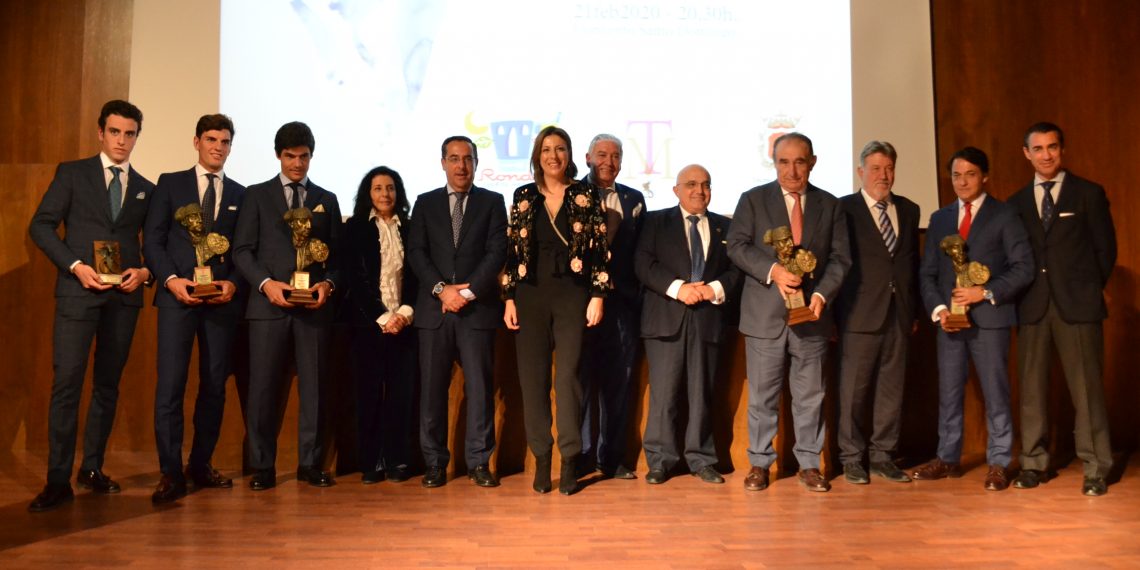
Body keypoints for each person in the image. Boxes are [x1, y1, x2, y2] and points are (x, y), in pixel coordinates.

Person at [27, 99, 155, 512]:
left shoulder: (145, 188)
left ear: (137, 136)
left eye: (129, 133)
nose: (122, 140)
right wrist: (76, 265)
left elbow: (153, 245)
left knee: (107, 385)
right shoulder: (72, 173)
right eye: (115, 132)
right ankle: (57, 480)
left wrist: (146, 272)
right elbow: (40, 225)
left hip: (123, 299)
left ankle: (93, 468)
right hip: (78, 293)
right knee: (66, 385)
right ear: (101, 133)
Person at [726, 132, 850, 493]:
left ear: (812, 162)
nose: (792, 170)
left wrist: (823, 294)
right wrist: (773, 271)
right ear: (774, 162)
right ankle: (760, 464)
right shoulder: (753, 199)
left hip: (811, 316)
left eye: (799, 161)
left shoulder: (830, 205)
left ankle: (810, 465)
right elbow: (736, 246)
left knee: (811, 396)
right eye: (784, 162)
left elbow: (842, 258)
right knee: (763, 397)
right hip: (764, 316)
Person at [233, 121, 342, 490]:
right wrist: (266, 284)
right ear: (278, 155)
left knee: (314, 387)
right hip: (269, 307)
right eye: (291, 156)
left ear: (312, 155)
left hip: (313, 309)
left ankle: (310, 464)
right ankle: (262, 466)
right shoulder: (256, 195)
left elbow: (338, 258)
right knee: (262, 387)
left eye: (304, 156)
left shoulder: (327, 199)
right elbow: (242, 250)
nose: (298, 163)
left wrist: (328, 284)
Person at [915, 146, 1032, 491]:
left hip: (990, 319)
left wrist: (985, 292)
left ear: (985, 176)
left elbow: (1023, 267)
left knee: (996, 392)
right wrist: (938, 310)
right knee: (949, 393)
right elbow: (928, 274)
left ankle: (998, 462)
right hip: (949, 323)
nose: (962, 181)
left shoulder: (1005, 215)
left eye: (969, 174)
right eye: (956, 175)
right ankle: (948, 458)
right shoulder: (939, 219)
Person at [1009, 123, 1117, 496]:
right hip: (1033, 306)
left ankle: (1096, 467)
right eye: (1037, 149)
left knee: (1087, 391)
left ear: (1062, 150)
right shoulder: (1017, 202)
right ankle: (1034, 463)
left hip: (1078, 307)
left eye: (1052, 147)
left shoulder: (1088, 193)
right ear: (1026, 154)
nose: (1046, 155)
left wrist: (1086, 290)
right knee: (1032, 389)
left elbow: (1106, 252)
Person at [143, 114, 246, 503]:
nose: (218, 146)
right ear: (196, 141)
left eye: (225, 141)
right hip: (176, 300)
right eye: (211, 139)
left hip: (220, 304)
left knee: (214, 387)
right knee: (170, 386)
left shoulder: (240, 193)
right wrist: (171, 280)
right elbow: (152, 241)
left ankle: (200, 464)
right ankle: (170, 473)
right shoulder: (170, 184)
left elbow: (244, 250)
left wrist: (233, 281)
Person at [503, 126, 610, 495]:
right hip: (530, 297)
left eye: (560, 149)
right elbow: (513, 251)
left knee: (568, 381)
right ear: (537, 155)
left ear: (569, 155)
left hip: (573, 296)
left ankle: (569, 460)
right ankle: (542, 457)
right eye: (546, 149)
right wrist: (508, 299)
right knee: (533, 382)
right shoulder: (523, 195)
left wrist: (598, 295)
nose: (553, 155)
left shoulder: (586, 194)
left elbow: (599, 249)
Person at [407, 136, 507, 488]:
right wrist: (441, 291)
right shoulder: (424, 203)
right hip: (434, 311)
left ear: (476, 163)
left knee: (480, 389)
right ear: (443, 163)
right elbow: (416, 253)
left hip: (476, 310)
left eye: (467, 159)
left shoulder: (493, 202)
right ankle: (435, 463)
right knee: (432, 390)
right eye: (454, 158)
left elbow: (496, 253)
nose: (461, 166)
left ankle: (480, 462)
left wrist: (465, 292)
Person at [636, 164, 741, 485]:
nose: (699, 190)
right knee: (664, 395)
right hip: (665, 319)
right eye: (692, 184)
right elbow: (642, 263)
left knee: (703, 393)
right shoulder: (654, 222)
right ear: (676, 190)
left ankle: (701, 459)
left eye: (706, 184)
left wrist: (715, 289)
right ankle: (660, 460)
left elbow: (738, 269)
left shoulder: (728, 226)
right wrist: (678, 288)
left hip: (709, 320)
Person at [833, 141, 920, 485]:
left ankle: (884, 455)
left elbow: (912, 264)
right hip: (858, 316)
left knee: (891, 390)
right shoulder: (844, 209)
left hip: (898, 315)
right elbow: (838, 265)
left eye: (888, 169)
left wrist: (913, 312)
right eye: (875, 169)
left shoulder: (910, 210)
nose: (883, 176)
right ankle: (852, 458)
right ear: (860, 172)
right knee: (853, 391)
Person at [578, 133, 646, 479]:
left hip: (622, 306)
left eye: (615, 155)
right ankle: (583, 456)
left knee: (620, 382)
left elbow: (639, 253)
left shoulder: (634, 199)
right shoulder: (572, 194)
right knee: (582, 381)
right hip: (581, 305)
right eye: (602, 154)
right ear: (588, 157)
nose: (609, 161)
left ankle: (613, 457)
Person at [344, 166, 417, 484]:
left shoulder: (412, 228)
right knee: (369, 396)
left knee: (402, 396)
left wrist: (403, 313)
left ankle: (398, 459)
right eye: (377, 188)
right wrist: (383, 317)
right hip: (367, 326)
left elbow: (416, 274)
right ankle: (371, 460)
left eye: (390, 188)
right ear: (367, 193)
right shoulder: (355, 228)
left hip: (405, 324)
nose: (385, 194)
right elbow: (356, 281)